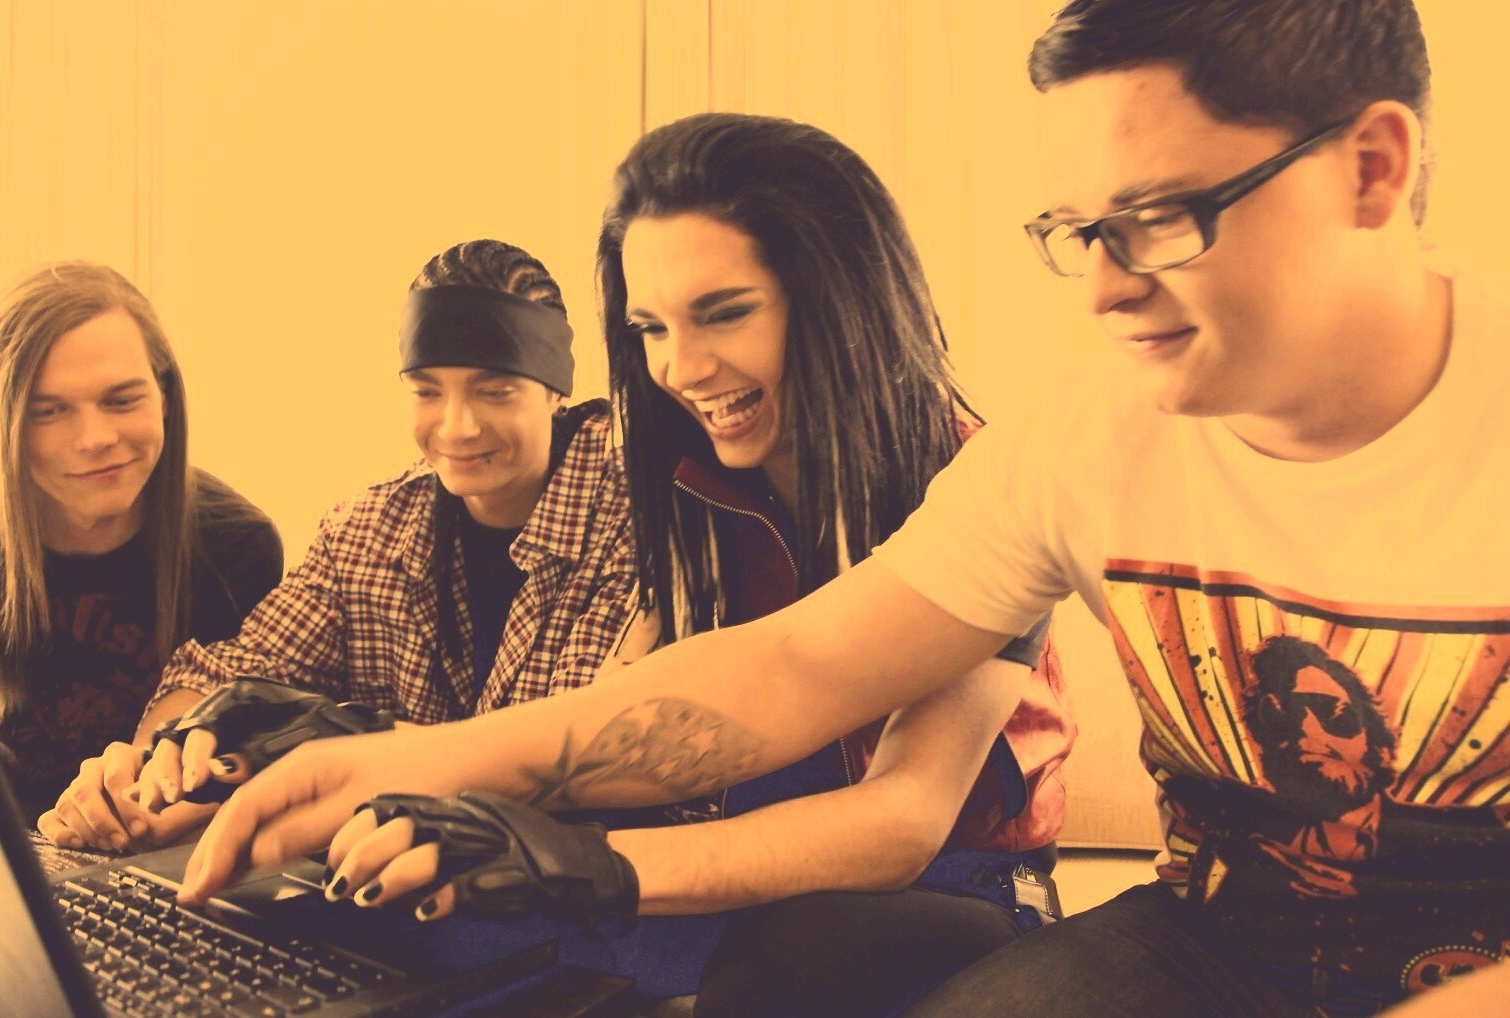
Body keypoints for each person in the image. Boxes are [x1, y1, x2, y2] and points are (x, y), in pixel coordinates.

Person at [176, 0, 1510, 1013]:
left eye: (1157, 219)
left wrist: (594, 866)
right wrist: (391, 762)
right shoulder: (1084, 435)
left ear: (1372, 168)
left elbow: (900, 819)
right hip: (1209, 941)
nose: (1105, 290)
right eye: (1079, 234)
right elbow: (793, 669)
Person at [146, 117, 1074, 1012]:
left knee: (792, 968)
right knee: (354, 919)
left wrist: (582, 866)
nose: (682, 367)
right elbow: (635, 724)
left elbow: (902, 822)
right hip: (744, 869)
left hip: (948, 884)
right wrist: (356, 744)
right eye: (651, 329)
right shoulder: (689, 472)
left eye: (723, 314)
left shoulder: (971, 480)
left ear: (840, 297)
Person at [41, 239, 638, 854]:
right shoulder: (368, 528)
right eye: (426, 391)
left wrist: (347, 737)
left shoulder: (642, 522)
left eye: (496, 391)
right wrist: (150, 774)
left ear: (556, 389)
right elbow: (230, 672)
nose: (456, 426)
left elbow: (582, 760)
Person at [0, 261, 281, 820]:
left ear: (165, 396)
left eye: (122, 400)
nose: (95, 438)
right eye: (48, 412)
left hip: (149, 850)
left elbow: (229, 766)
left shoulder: (235, 547)